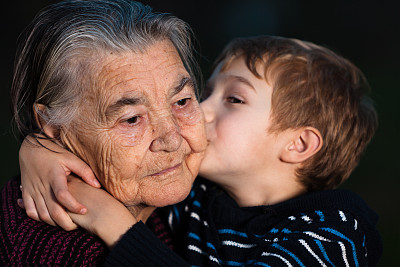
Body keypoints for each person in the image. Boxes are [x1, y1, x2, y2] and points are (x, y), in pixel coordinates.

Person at [19, 36, 383, 266]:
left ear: (298, 144)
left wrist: (111, 222)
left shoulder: (331, 234)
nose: (199, 112)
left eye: (234, 99)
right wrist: (38, 148)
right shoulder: (196, 200)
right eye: (201, 94)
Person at [0, 0, 207, 265]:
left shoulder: (193, 198)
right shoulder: (58, 252)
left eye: (181, 101)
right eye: (132, 119)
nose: (172, 139)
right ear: (54, 129)